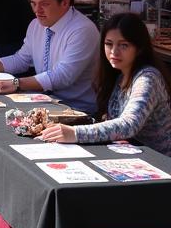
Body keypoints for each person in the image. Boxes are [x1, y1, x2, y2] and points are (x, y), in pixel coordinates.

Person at [0, 0, 99, 115]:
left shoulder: (82, 29)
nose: (37, 10)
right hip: (44, 102)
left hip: (77, 110)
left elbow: (63, 76)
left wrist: (17, 84)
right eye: (33, 4)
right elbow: (22, 59)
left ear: (65, 2)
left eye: (44, 4)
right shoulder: (36, 25)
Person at [40, 12, 171, 154]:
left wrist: (75, 133)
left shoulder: (148, 78)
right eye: (109, 44)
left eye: (124, 45)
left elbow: (128, 125)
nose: (114, 51)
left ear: (139, 48)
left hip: (158, 162)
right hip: (128, 154)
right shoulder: (120, 75)